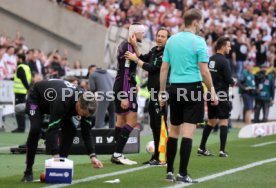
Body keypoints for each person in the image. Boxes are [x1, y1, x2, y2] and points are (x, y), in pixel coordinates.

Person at [159, 8, 218, 183]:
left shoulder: (171, 41)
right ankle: (182, 173)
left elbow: (164, 68)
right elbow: (204, 71)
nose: (201, 25)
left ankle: (169, 171)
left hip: (174, 88)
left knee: (174, 131)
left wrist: (162, 92)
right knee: (188, 133)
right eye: (201, 22)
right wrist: (212, 90)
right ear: (195, 22)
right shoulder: (199, 42)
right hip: (192, 88)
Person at [21, 79, 103, 182]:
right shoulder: (63, 102)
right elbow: (53, 129)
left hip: (58, 104)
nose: (83, 116)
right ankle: (28, 171)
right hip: (37, 99)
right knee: (35, 129)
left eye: (86, 115)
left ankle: (60, 167)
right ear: (78, 104)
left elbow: (86, 132)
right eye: (82, 114)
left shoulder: (88, 107)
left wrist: (93, 156)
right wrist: (55, 155)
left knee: (71, 131)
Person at [124, 27, 171, 165]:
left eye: (163, 36)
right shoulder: (154, 50)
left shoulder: (165, 54)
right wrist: (134, 46)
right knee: (154, 125)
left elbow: (151, 67)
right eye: (158, 35)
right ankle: (156, 156)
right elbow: (143, 58)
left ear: (168, 39)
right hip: (153, 93)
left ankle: (163, 157)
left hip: (161, 93)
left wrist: (134, 58)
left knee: (161, 125)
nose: (159, 38)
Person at [111, 23, 145, 165]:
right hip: (125, 87)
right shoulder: (129, 47)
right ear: (135, 33)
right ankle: (118, 154)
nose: (143, 35)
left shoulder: (126, 45)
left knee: (121, 121)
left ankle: (115, 152)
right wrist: (125, 94)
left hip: (122, 85)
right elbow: (125, 72)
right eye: (142, 33)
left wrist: (133, 83)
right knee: (132, 121)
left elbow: (127, 71)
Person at [198, 37, 235, 158]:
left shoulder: (210, 59)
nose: (230, 48)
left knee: (212, 121)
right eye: (228, 46)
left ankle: (201, 147)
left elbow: (204, 75)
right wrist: (233, 82)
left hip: (210, 93)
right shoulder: (224, 61)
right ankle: (222, 150)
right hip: (221, 94)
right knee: (224, 120)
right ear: (223, 47)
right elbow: (229, 79)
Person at [88, 64, 115, 128]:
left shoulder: (92, 75)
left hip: (103, 96)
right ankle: (113, 133)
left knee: (100, 116)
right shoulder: (109, 74)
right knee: (112, 116)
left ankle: (97, 133)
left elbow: (93, 88)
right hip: (114, 95)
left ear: (90, 70)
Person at [12, 53, 32, 133]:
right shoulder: (27, 66)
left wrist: (28, 88)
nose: (16, 60)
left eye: (16, 58)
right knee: (22, 108)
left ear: (20, 59)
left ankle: (21, 127)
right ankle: (21, 127)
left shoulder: (20, 67)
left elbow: (23, 79)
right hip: (23, 91)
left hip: (20, 92)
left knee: (19, 109)